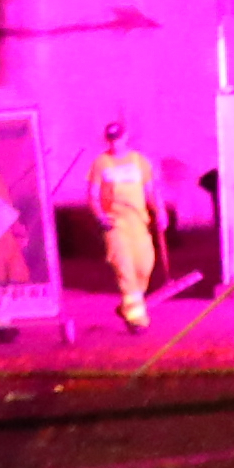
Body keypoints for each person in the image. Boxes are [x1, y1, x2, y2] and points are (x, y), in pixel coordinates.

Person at [89, 120, 164, 332]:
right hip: (115, 225)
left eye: (118, 139)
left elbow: (151, 191)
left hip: (138, 224)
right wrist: (100, 216)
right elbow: (93, 196)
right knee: (126, 272)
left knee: (144, 266)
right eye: (111, 140)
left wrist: (160, 212)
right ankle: (137, 320)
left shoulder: (139, 161)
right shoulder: (101, 163)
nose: (115, 144)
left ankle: (127, 307)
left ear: (126, 137)